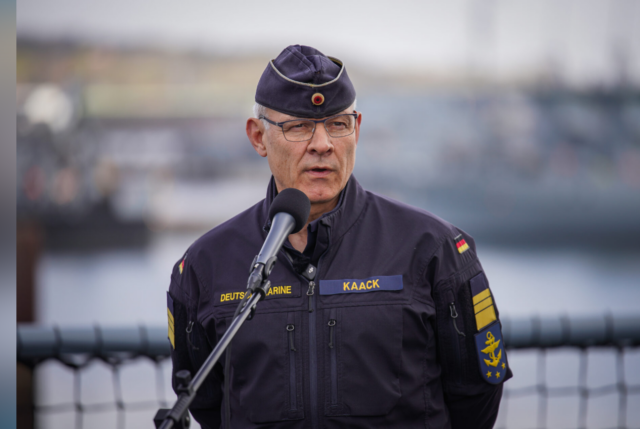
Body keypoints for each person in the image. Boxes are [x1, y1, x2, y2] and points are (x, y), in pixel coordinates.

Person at [166, 44, 511, 429]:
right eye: (298, 126)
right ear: (258, 137)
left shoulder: (435, 249)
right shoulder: (204, 265)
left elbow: (475, 399)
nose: (322, 144)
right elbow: (209, 404)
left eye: (337, 124)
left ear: (357, 130)